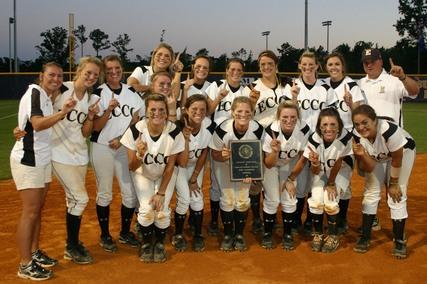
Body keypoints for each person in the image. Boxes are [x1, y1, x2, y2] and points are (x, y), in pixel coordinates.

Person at [10, 62, 76, 280]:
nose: (56, 79)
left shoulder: (48, 96)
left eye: (59, 76)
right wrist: (62, 113)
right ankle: (25, 264)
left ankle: (34, 253)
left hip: (42, 157)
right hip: (29, 159)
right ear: (41, 76)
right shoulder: (35, 93)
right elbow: (37, 124)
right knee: (30, 211)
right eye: (51, 75)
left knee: (38, 209)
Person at [49, 57, 103, 264]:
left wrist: (90, 117)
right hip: (59, 153)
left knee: (73, 201)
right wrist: (23, 127)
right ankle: (71, 246)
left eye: (95, 75)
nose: (91, 77)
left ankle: (71, 243)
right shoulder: (62, 89)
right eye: (88, 72)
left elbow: (85, 133)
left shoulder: (89, 99)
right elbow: (41, 109)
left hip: (79, 154)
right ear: (79, 71)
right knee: (80, 199)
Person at [120, 94, 185, 263]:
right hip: (143, 173)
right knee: (147, 210)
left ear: (166, 111)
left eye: (161, 110)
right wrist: (140, 154)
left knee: (162, 210)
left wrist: (161, 193)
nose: (157, 113)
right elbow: (132, 166)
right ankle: (147, 244)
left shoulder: (174, 131)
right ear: (146, 112)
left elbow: (171, 166)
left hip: (166, 174)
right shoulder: (135, 130)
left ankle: (160, 244)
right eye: (152, 110)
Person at [90, 55, 143, 254]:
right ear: (105, 71)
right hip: (102, 146)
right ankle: (104, 235)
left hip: (123, 146)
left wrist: (121, 137)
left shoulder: (131, 92)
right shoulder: (98, 93)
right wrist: (108, 111)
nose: (114, 72)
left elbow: (136, 121)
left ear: (122, 69)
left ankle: (124, 232)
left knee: (129, 194)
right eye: (109, 69)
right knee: (104, 193)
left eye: (117, 68)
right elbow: (95, 127)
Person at [352, 104, 415, 259]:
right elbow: (368, 166)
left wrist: (392, 184)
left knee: (397, 193)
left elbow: (397, 159)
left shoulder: (389, 131)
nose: (361, 127)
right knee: (371, 191)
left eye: (365, 122)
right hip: (377, 157)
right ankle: (366, 237)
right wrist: (362, 156)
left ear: (375, 121)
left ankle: (399, 240)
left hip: (403, 152)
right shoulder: (356, 135)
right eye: (357, 124)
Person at [242, 50, 292, 234]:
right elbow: (245, 114)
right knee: (256, 182)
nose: (266, 67)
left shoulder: (286, 84)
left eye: (270, 63)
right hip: (259, 137)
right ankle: (256, 218)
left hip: (280, 139)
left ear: (276, 65)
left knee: (275, 179)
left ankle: (272, 213)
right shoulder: (252, 88)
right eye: (263, 64)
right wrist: (252, 103)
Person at [286, 51, 333, 235]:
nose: (307, 68)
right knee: (300, 181)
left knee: (316, 181)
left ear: (317, 66)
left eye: (311, 65)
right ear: (299, 65)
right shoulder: (292, 86)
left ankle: (311, 221)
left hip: (320, 142)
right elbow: (287, 114)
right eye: (304, 64)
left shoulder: (325, 89)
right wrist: (294, 97)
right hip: (298, 142)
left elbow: (330, 116)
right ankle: (296, 218)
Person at [210, 96, 264, 251]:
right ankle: (228, 235)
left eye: (247, 111)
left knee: (242, 199)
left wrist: (253, 172)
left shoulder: (258, 129)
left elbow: (261, 154)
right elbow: (214, 154)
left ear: (252, 113)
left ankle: (239, 235)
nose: (243, 114)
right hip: (223, 165)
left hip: (245, 169)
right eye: (239, 111)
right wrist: (222, 156)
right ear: (232, 112)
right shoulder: (222, 129)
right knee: (227, 199)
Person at [323, 52, 365, 234]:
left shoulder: (352, 86)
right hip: (326, 136)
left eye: (337, 64)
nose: (333, 67)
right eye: (330, 64)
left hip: (346, 137)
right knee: (324, 176)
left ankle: (342, 219)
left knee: (344, 179)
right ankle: (326, 216)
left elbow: (361, 113)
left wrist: (351, 104)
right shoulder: (322, 85)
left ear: (343, 66)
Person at [205, 58, 247, 236]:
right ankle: (215, 220)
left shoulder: (247, 90)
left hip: (240, 139)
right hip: (219, 138)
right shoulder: (216, 85)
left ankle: (237, 217)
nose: (235, 72)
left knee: (240, 179)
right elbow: (207, 111)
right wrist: (218, 98)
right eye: (232, 69)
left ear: (242, 73)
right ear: (227, 70)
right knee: (217, 181)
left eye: (239, 70)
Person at [302, 108, 352, 253]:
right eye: (324, 125)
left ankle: (333, 235)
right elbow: (315, 171)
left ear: (339, 125)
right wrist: (316, 164)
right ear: (319, 126)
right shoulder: (315, 138)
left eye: (332, 124)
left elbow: (339, 164)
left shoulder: (346, 138)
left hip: (340, 173)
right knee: (316, 199)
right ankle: (318, 234)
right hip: (323, 172)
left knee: (330, 200)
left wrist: (331, 184)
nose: (328, 128)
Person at [261, 101, 310, 250]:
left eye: (293, 117)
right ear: (278, 117)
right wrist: (275, 151)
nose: (289, 120)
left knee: (289, 198)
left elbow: (303, 157)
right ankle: (268, 233)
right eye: (285, 117)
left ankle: (287, 234)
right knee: (273, 199)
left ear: (298, 117)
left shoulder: (303, 129)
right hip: (271, 164)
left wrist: (291, 179)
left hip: (289, 163)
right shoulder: (270, 131)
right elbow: (268, 163)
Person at [172, 95, 216, 252]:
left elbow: (205, 151)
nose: (199, 112)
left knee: (197, 199)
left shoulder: (209, 125)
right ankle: (177, 234)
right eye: (194, 109)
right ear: (186, 110)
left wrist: (194, 178)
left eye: (202, 109)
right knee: (184, 199)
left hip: (196, 166)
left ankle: (197, 234)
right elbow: (181, 162)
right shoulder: (177, 126)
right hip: (179, 167)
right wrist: (185, 139)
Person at [358, 48, 419, 127]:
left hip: (392, 135)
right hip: (367, 135)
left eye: (372, 62)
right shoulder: (359, 84)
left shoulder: (394, 80)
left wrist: (403, 77)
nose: (369, 65)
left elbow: (414, 92)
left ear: (381, 62)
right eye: (366, 63)